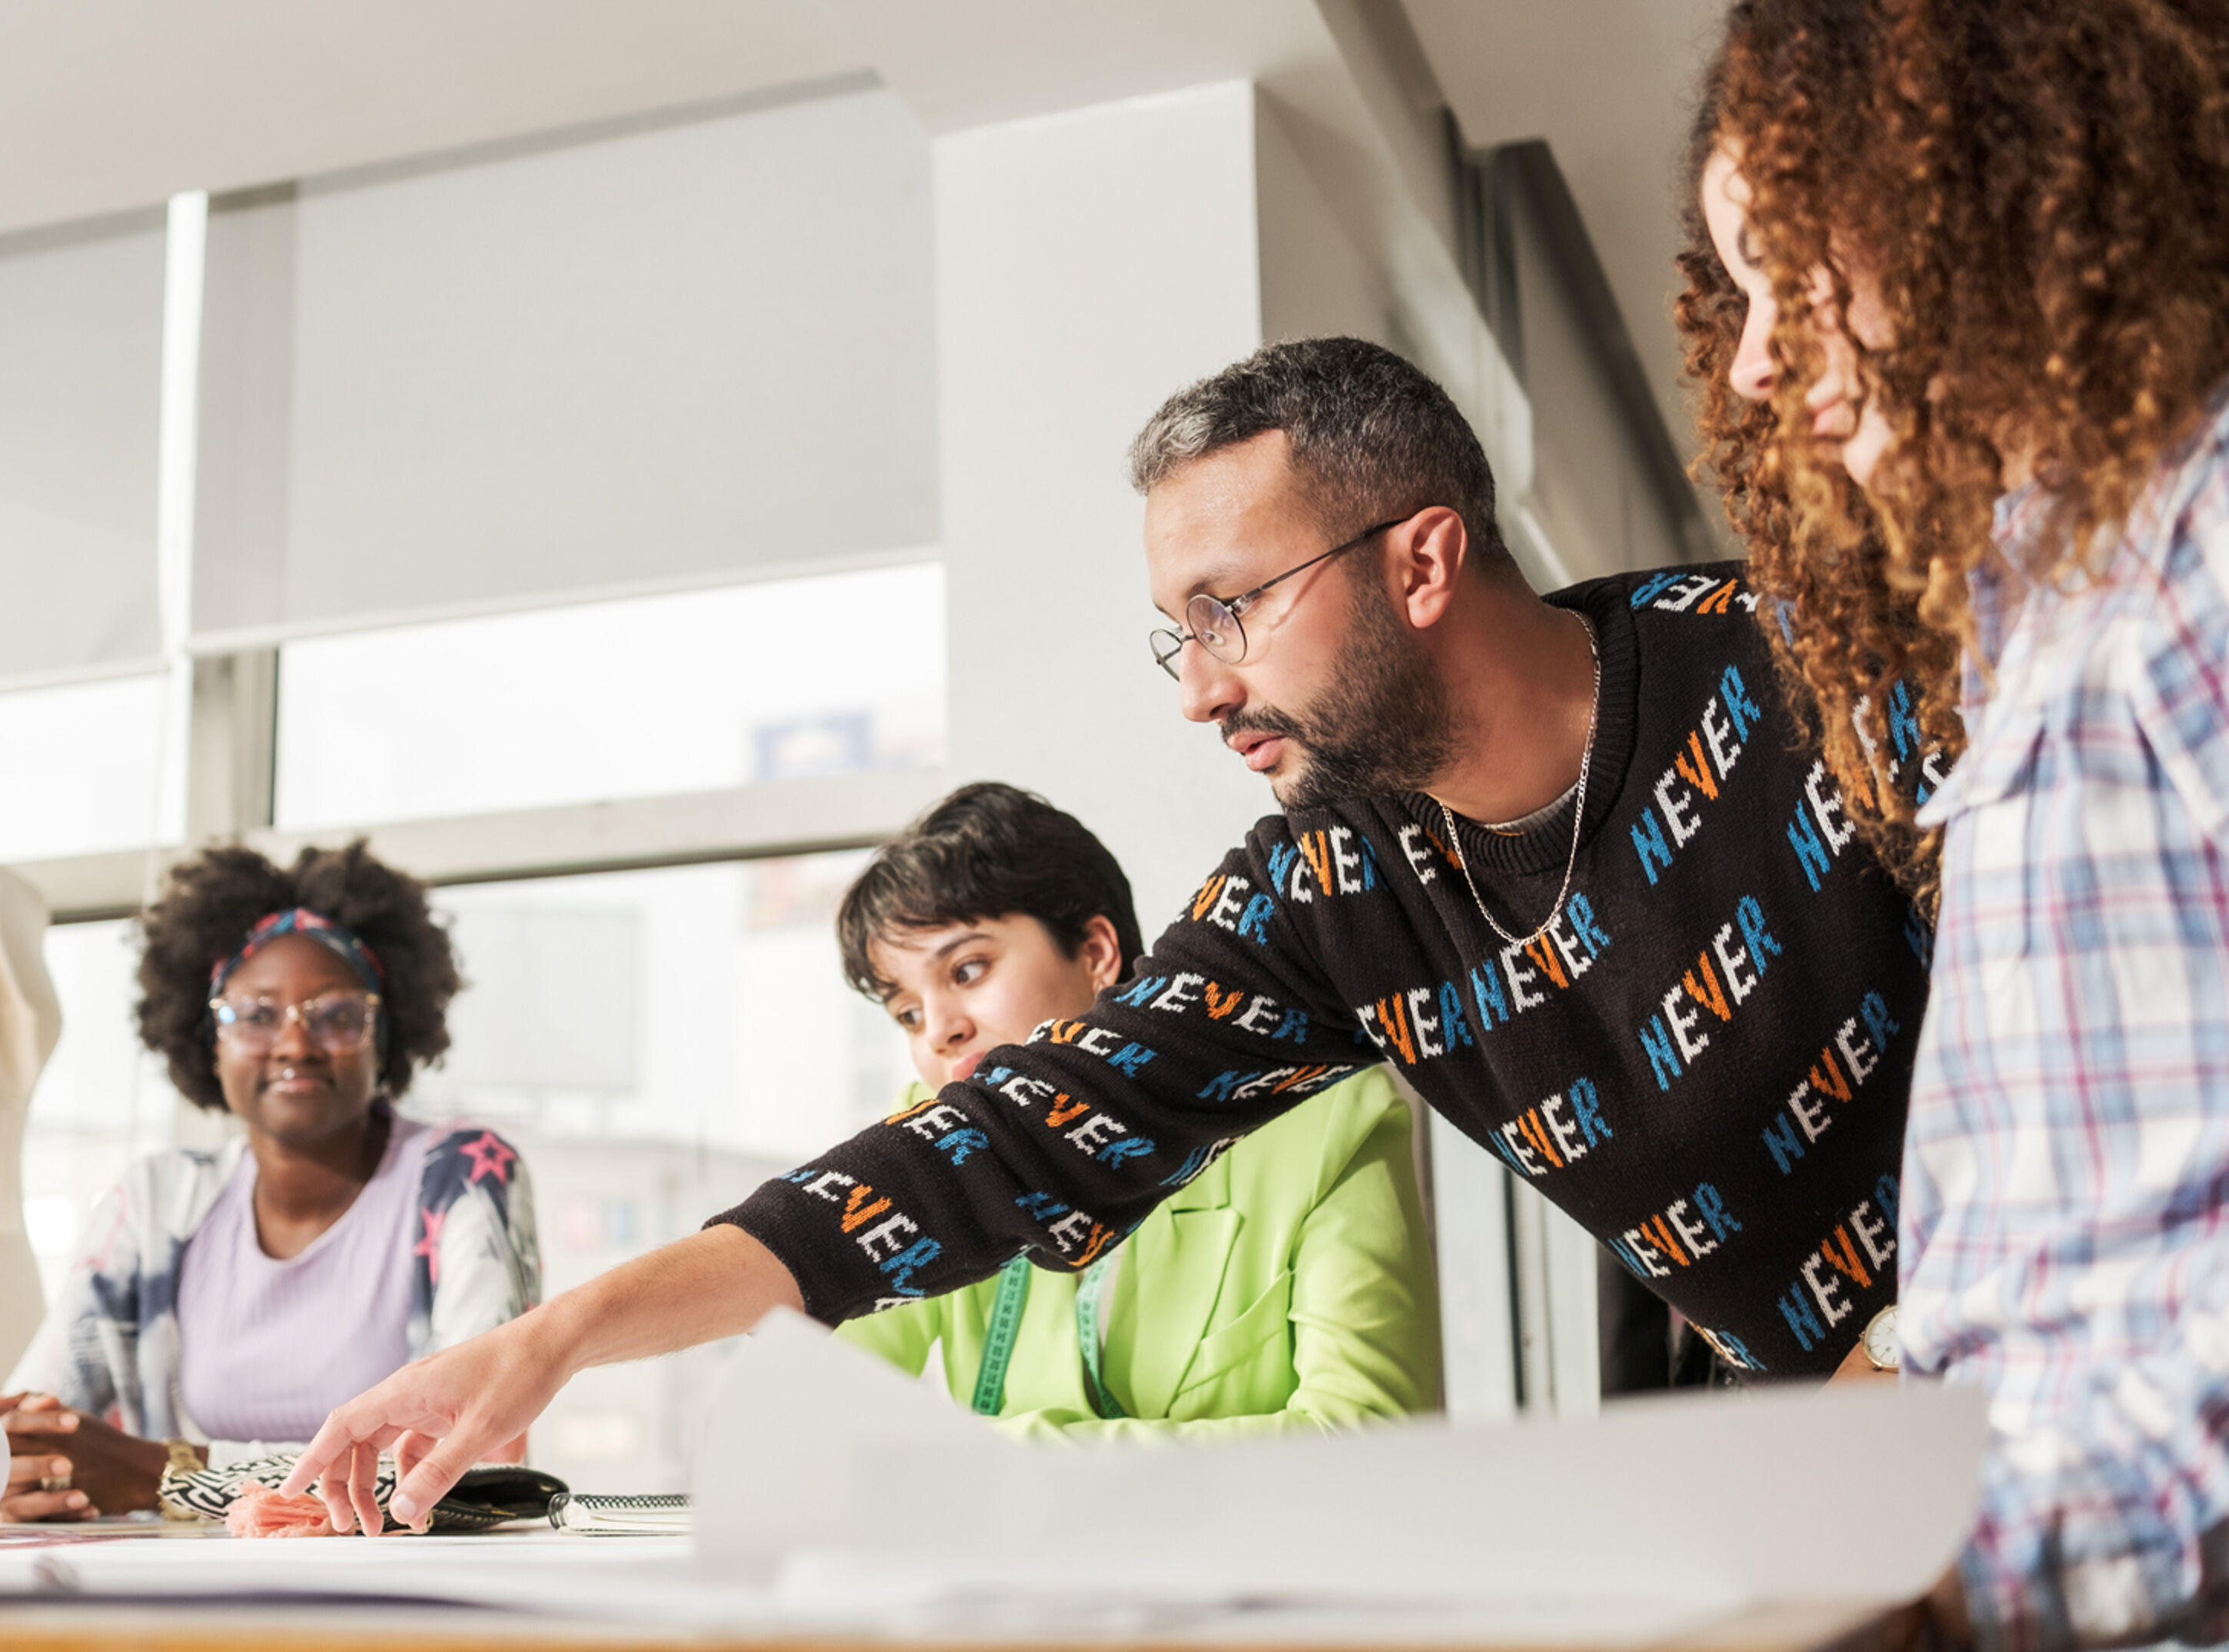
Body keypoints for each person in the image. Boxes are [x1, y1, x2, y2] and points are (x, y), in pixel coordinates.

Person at [284, 336, 1944, 1536]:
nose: (1206, 685)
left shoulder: (1808, 669)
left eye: (1231, 610)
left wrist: (1917, 1339)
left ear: (1426, 557)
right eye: (1177, 636)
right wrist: (544, 1343)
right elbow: (990, 1151)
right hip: (1834, 1462)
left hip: (2082, 1360)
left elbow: (2119, 1017)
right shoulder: (1329, 891)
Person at [1690, 3, 2229, 1644]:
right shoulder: (2040, 606)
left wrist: (1942, 1572)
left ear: (1978, 189)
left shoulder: (2203, 551)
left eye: (1791, 269)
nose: (1754, 359)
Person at [832, 782, 1440, 1439]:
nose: (937, 1032)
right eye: (907, 1014)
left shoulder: (1326, 1114)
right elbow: (821, 1402)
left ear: (1095, 953)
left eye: (968, 970)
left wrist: (1005, 1462)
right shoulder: (933, 1136)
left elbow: (1372, 1436)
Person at [0, 842, 539, 1520]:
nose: (295, 1044)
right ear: (208, 1039)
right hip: (170, 1597)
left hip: (393, 1600)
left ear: (387, 1034)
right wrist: (21, 1457)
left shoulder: (461, 1175)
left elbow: (475, 1470)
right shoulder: (157, 1201)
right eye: (255, 1015)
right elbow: (36, 1423)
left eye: (337, 1015)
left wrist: (164, 1475)